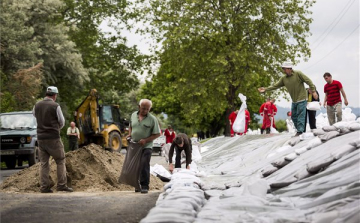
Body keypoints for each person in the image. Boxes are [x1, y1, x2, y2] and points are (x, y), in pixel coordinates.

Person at [258, 61, 318, 136]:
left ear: (289, 68)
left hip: (302, 98)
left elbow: (308, 81)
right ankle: (300, 130)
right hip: (294, 100)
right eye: (283, 69)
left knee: (300, 115)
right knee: (293, 116)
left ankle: (300, 131)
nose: (284, 70)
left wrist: (313, 91)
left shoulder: (298, 73)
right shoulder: (284, 78)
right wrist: (266, 89)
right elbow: (275, 86)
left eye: (285, 69)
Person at [32, 86, 73, 193]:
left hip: (40, 138)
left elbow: (35, 116)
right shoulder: (55, 106)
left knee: (44, 163)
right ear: (55, 95)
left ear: (46, 94)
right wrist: (55, 128)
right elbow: (62, 122)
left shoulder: (37, 105)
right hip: (53, 138)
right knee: (60, 160)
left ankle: (44, 187)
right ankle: (61, 185)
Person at [127, 99, 160, 194]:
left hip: (146, 146)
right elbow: (131, 126)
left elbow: (157, 134)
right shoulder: (133, 115)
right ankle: (137, 185)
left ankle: (145, 186)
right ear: (139, 107)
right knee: (135, 166)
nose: (145, 111)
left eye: (147, 109)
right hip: (135, 145)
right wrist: (129, 135)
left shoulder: (152, 119)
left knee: (144, 164)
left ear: (150, 109)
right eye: (143, 108)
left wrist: (146, 140)